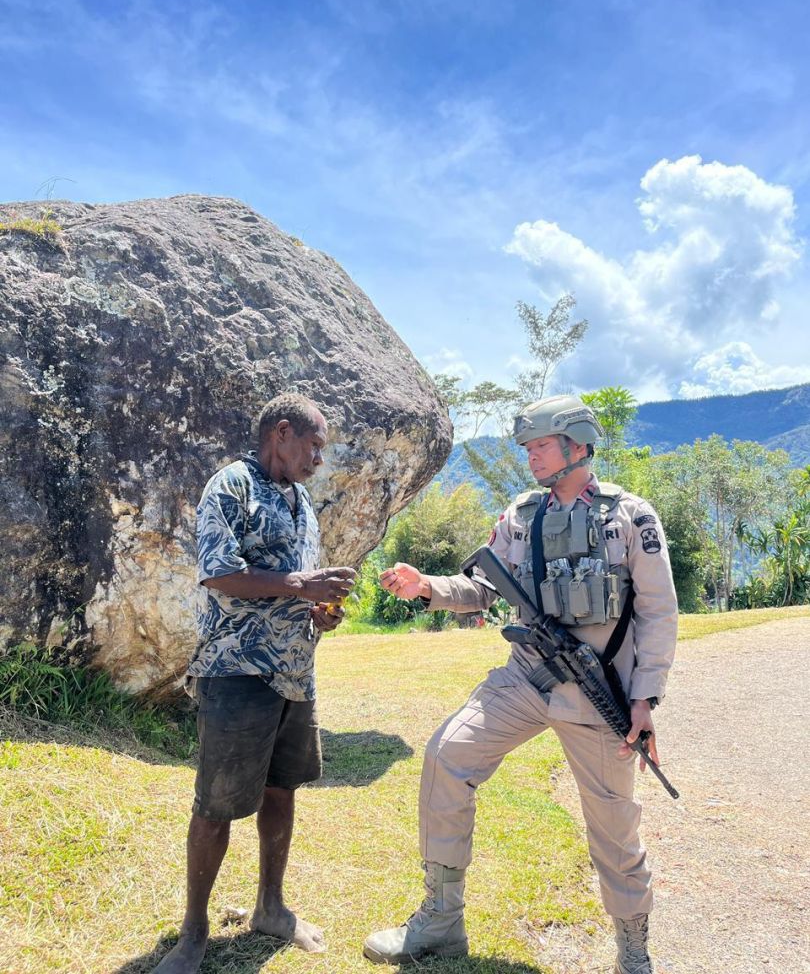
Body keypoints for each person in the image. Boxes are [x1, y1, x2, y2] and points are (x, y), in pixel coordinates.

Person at [363, 395, 677, 974]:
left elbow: (658, 611)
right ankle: (440, 922)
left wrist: (645, 698)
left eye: (540, 446)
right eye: (527, 447)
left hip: (599, 695)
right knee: (446, 755)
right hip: (528, 677)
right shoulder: (520, 515)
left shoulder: (631, 517)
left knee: (614, 826)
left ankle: (633, 948)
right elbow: (482, 587)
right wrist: (426, 586)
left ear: (578, 446)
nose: (530, 457)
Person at [154, 392, 356, 974]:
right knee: (216, 806)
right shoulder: (231, 485)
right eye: (314, 446)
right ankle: (192, 934)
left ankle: (271, 906)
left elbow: (301, 587)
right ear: (282, 434)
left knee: (282, 789)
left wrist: (321, 610)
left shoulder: (302, 504)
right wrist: (301, 586)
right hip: (236, 670)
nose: (319, 458)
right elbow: (219, 574)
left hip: (295, 673)